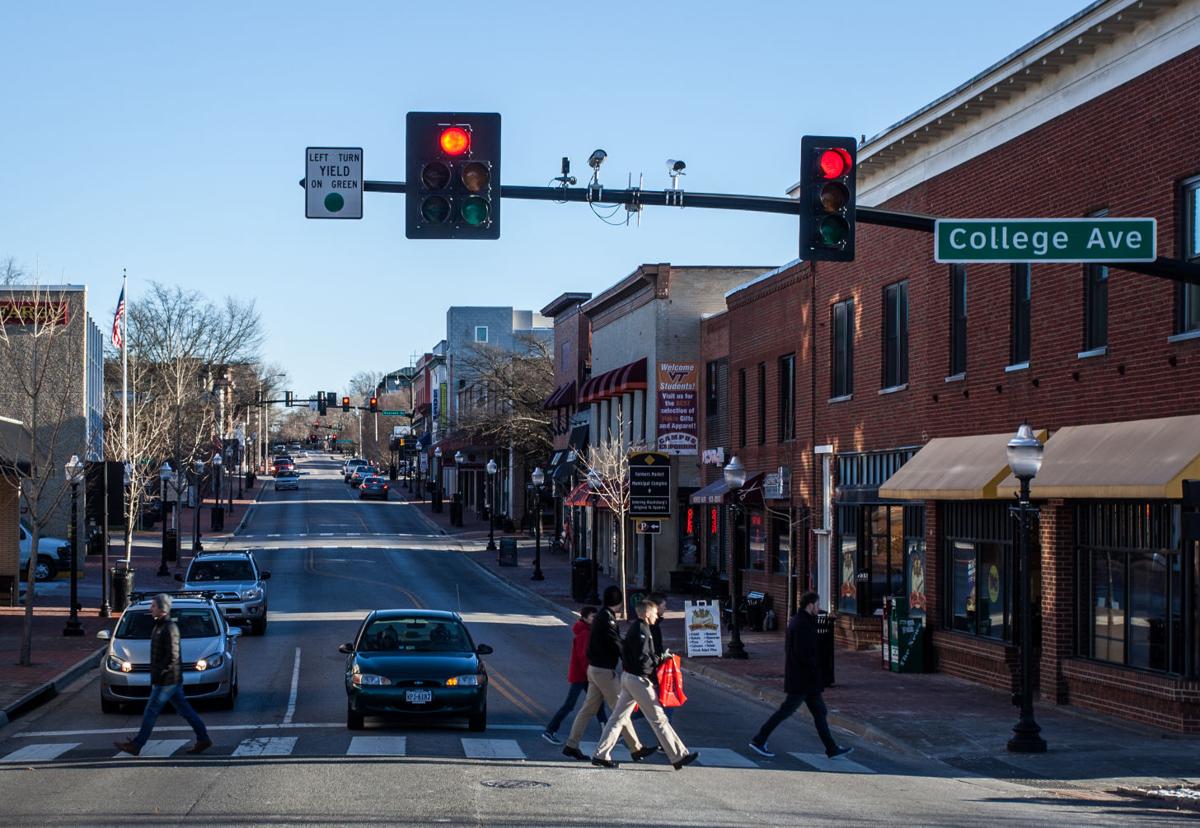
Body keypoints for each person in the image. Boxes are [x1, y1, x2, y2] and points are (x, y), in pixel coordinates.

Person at [590, 599, 698, 770]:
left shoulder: (637, 628)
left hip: (628, 677)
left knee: (618, 718)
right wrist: (661, 658)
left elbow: (632, 653)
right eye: (655, 613)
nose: (657, 616)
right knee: (659, 719)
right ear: (647, 614)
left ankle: (600, 755)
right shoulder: (642, 630)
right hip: (638, 679)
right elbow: (643, 659)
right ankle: (678, 756)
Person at [748, 591, 852, 760]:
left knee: (820, 712)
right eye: (817, 605)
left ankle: (831, 748)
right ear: (810, 605)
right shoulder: (802, 624)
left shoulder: (802, 621)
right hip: (802, 680)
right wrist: (815, 669)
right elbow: (803, 653)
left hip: (807, 681)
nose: (819, 608)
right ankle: (759, 740)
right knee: (785, 711)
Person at [562, 586, 653, 762]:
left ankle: (571, 745)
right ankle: (635, 748)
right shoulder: (607, 619)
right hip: (604, 671)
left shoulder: (601, 616)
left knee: (588, 709)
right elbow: (616, 643)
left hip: (595, 669)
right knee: (620, 710)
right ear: (618, 603)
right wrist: (630, 660)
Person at [114, 594, 212, 756]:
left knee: (151, 711)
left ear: (161, 609)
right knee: (186, 710)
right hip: (167, 679)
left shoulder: (169, 628)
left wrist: (161, 673)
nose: (150, 609)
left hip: (167, 680)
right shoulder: (159, 626)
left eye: (153, 606)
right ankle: (203, 739)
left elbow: (172, 656)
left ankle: (137, 744)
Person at [541, 606, 607, 745]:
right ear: (584, 618)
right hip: (582, 675)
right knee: (570, 704)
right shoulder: (585, 634)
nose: (595, 619)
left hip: (584, 674)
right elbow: (584, 658)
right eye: (592, 617)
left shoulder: (587, 631)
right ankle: (550, 730)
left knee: (598, 702)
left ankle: (606, 730)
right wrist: (592, 675)